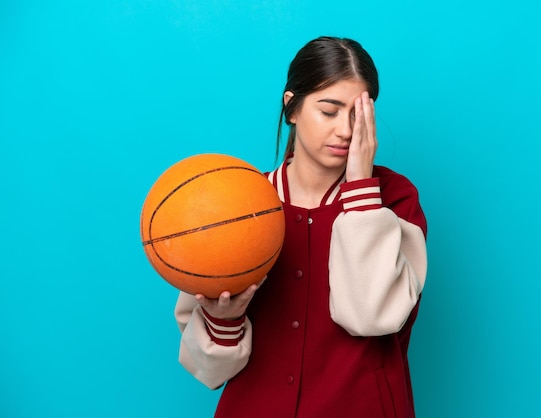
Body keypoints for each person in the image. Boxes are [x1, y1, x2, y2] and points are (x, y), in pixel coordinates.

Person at [174, 36, 428, 418]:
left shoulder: (394, 197)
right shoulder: (238, 202)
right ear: (291, 107)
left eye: (359, 114)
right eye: (330, 111)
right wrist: (223, 320)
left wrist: (360, 188)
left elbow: (371, 316)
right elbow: (209, 370)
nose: (346, 130)